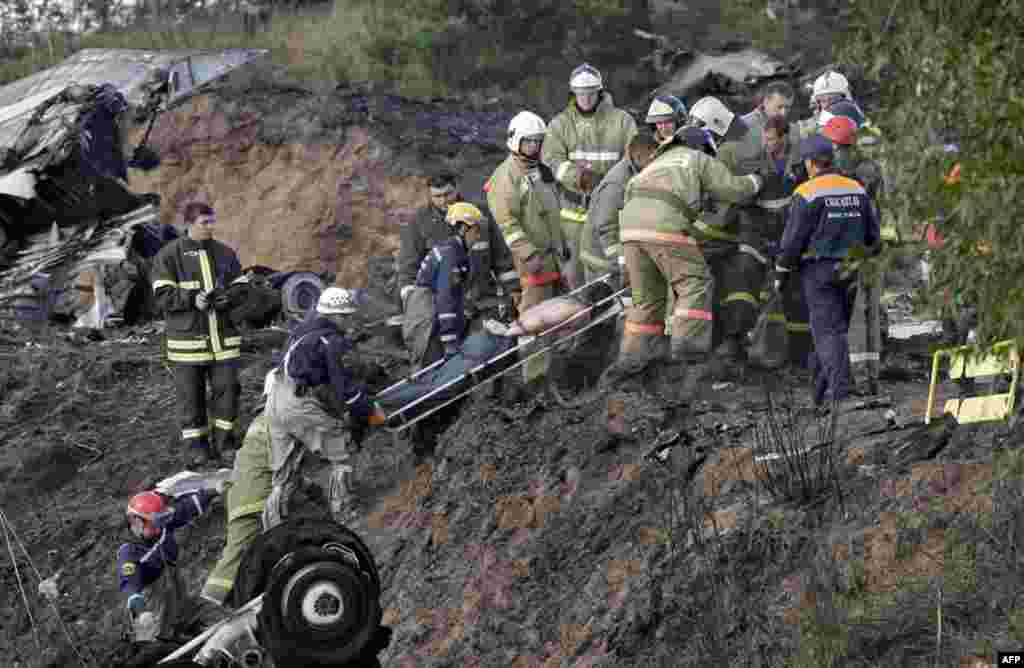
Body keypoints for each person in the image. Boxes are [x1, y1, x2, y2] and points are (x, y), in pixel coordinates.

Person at [602, 129, 765, 393]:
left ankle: (631, 361)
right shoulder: (696, 158)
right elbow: (733, 190)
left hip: (630, 228)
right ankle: (685, 356)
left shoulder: (655, 163)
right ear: (702, 146)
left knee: (646, 299)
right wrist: (756, 180)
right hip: (663, 222)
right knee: (695, 282)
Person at [262, 287, 387, 530]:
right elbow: (346, 389)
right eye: (348, 316)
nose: (350, 321)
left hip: (275, 398)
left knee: (284, 471)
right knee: (343, 448)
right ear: (337, 315)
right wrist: (369, 409)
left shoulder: (301, 330)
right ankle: (345, 511)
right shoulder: (332, 341)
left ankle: (273, 526)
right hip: (298, 403)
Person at [773, 135, 881, 412]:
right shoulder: (856, 189)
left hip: (819, 271)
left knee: (827, 331)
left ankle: (841, 392)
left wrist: (781, 272)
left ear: (810, 163)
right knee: (836, 329)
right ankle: (819, 393)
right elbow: (874, 236)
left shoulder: (807, 192)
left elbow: (793, 240)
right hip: (854, 268)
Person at [152, 202, 243, 467]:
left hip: (224, 342)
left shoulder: (226, 253)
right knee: (190, 398)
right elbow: (162, 296)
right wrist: (193, 300)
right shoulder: (168, 256)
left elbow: (242, 288)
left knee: (227, 392)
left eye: (212, 221)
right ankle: (197, 450)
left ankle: (226, 444)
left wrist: (226, 298)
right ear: (189, 224)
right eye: (205, 222)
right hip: (186, 345)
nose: (211, 227)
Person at [397, 172, 517, 368]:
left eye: (448, 194)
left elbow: (501, 258)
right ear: (429, 194)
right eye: (437, 196)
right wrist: (416, 308)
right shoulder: (421, 222)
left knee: (484, 355)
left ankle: (487, 394)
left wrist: (513, 289)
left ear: (457, 188)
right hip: (440, 308)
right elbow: (408, 267)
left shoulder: (478, 216)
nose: (443, 201)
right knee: (438, 363)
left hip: (480, 301)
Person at [486, 111, 567, 383]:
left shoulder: (541, 169)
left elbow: (555, 209)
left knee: (558, 314)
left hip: (556, 257)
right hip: (533, 262)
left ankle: (557, 368)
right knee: (533, 318)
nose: (534, 147)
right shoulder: (505, 177)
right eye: (529, 142)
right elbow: (507, 223)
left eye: (538, 141)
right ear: (515, 141)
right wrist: (527, 253)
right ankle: (534, 376)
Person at [687, 96, 765, 375]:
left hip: (728, 237)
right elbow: (725, 197)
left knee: (733, 291)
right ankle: (725, 348)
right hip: (718, 238)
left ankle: (728, 348)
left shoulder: (719, 153)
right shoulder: (716, 153)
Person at [542, 64, 638, 288]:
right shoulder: (560, 125)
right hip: (573, 217)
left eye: (591, 92)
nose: (585, 98)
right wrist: (581, 178)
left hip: (610, 216)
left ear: (600, 91)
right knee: (576, 283)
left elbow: (633, 160)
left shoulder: (623, 122)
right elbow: (551, 160)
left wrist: (610, 185)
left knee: (610, 277)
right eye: (580, 93)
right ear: (573, 93)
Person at [116, 487, 224, 643]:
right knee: (161, 653)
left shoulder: (161, 526)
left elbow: (185, 509)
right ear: (136, 522)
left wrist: (212, 491)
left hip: (182, 606)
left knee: (226, 619)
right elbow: (130, 585)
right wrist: (141, 611)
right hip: (156, 620)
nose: (160, 528)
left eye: (162, 520)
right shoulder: (129, 553)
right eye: (154, 524)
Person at [741, 80, 795, 147]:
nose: (783, 113)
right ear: (766, 102)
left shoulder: (786, 128)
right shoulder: (744, 125)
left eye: (787, 107)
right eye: (779, 107)